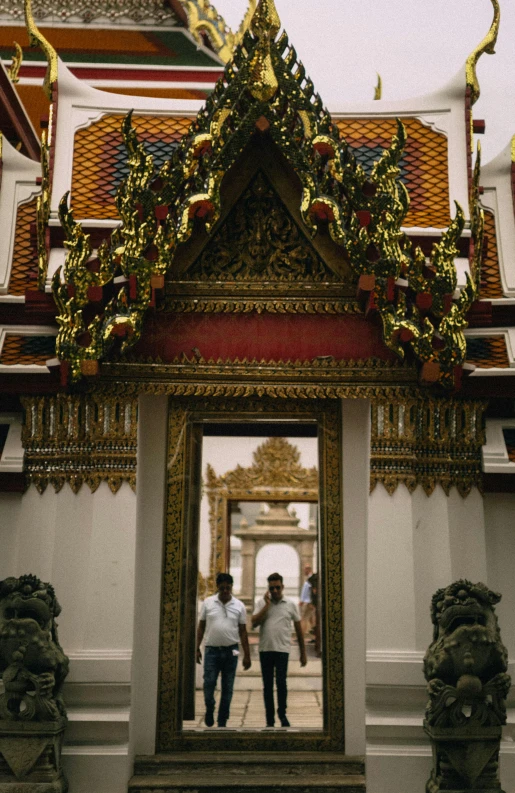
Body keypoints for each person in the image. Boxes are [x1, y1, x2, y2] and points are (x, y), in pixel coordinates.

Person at [251, 572, 307, 728]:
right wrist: (267, 606)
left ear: (282, 587)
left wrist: (303, 653)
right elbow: (253, 623)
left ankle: (282, 714)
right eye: (271, 588)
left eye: (277, 587)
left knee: (281, 683)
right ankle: (270, 719)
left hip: (282, 650)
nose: (275, 591)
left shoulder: (290, 604)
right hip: (265, 649)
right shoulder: (261, 603)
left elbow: (299, 629)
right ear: (268, 588)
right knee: (267, 686)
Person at [196, 572, 251, 728]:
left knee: (228, 687)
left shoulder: (239, 606)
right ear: (217, 587)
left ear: (232, 587)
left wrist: (247, 654)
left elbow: (243, 631)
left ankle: (222, 719)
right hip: (211, 650)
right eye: (223, 588)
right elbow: (201, 627)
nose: (226, 591)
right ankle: (209, 707)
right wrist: (196, 648)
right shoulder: (208, 603)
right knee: (209, 684)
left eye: (228, 588)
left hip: (232, 651)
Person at [299, 564, 316, 638]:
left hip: (309, 603)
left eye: (305, 569)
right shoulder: (310, 579)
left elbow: (312, 592)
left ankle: (301, 636)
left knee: (304, 619)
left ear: (308, 569)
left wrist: (303, 601)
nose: (303, 571)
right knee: (312, 621)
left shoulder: (312, 579)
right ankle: (315, 637)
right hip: (309, 602)